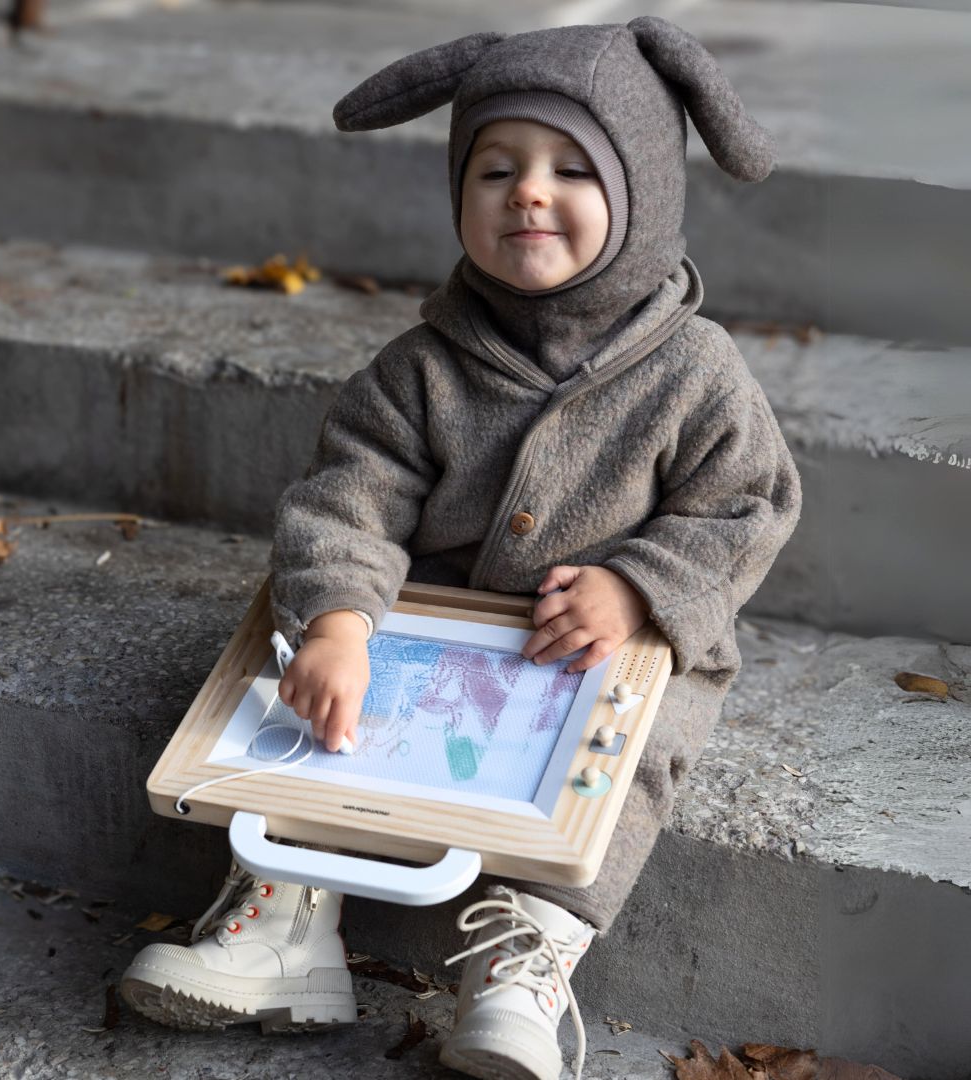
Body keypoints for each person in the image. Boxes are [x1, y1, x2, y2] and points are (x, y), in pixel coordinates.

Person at [121, 17, 802, 1080]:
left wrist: (637, 588)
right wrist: (340, 623)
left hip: (594, 642)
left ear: (651, 195)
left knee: (638, 735)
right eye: (496, 167)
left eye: (574, 168)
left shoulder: (698, 373)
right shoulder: (421, 368)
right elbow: (350, 496)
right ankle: (284, 918)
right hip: (437, 611)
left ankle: (525, 958)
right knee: (312, 683)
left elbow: (748, 504)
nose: (528, 192)